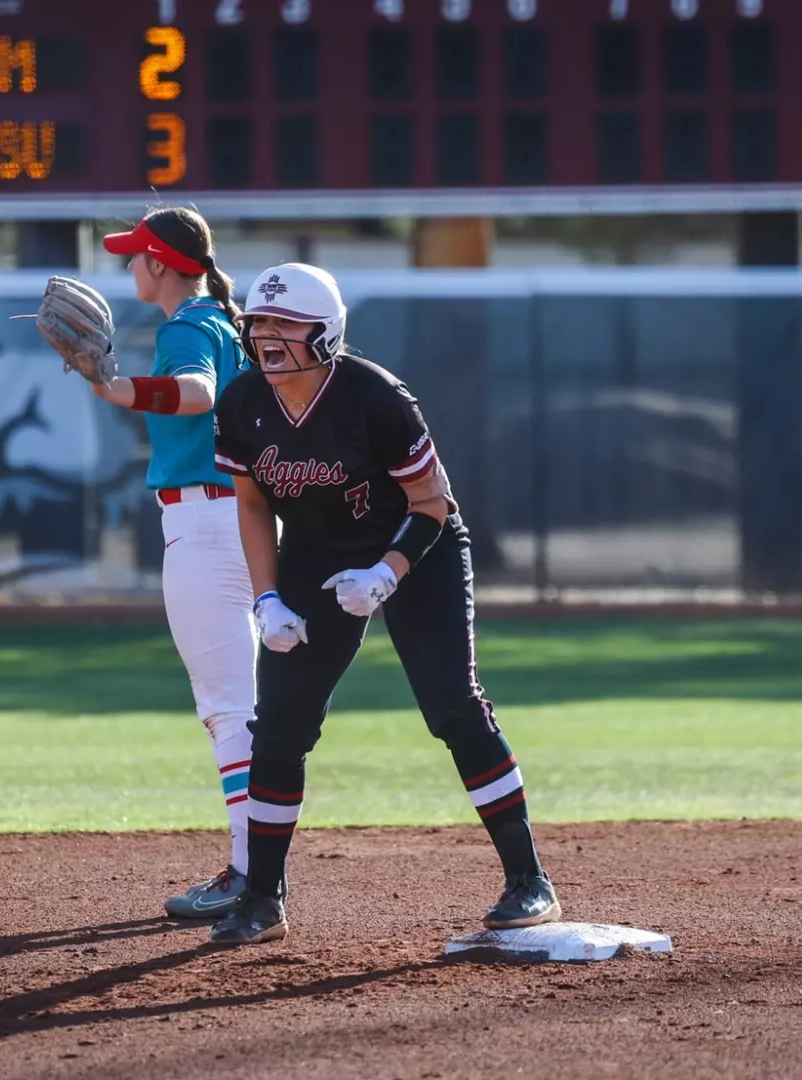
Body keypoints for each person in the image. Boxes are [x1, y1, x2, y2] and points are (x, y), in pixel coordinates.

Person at [207, 263, 561, 945]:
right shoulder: (243, 401)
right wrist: (267, 599)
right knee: (279, 724)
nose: (269, 337)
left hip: (414, 550)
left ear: (328, 332)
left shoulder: (376, 396)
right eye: (259, 323)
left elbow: (434, 503)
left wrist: (387, 574)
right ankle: (262, 898)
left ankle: (529, 880)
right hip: (313, 552)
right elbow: (250, 504)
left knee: (452, 703)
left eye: (286, 323)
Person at [90, 207, 257, 918]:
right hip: (243, 521)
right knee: (247, 707)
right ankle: (258, 865)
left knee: (229, 710)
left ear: (159, 262)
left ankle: (253, 872)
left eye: (135, 256)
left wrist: (117, 387)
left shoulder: (188, 324)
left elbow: (196, 394)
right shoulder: (223, 319)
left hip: (208, 522)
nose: (129, 266)